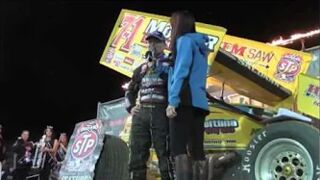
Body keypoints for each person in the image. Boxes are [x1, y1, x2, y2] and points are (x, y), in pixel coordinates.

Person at [166, 10, 210, 180]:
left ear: (178, 25)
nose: (171, 29)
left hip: (184, 100)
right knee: (197, 150)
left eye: (172, 25)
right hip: (199, 102)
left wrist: (173, 101)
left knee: (178, 148)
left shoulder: (184, 41)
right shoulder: (201, 47)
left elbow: (181, 72)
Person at [125, 30, 173, 180]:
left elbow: (176, 86)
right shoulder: (140, 69)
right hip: (142, 113)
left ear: (164, 45)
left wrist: (157, 65)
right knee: (136, 155)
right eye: (150, 41)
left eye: (156, 42)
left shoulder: (171, 64)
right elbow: (129, 91)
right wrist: (131, 107)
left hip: (161, 113)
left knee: (164, 154)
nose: (152, 45)